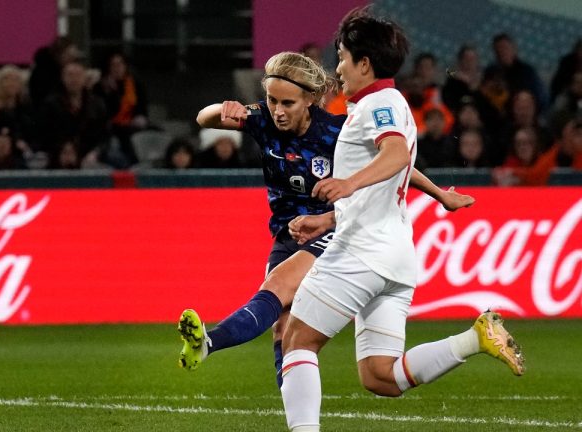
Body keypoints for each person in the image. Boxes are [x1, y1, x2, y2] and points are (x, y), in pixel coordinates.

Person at [277, 10, 523, 431]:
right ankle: (475, 337)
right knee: (380, 376)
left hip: (361, 253)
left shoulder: (378, 104)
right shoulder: (393, 105)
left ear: (364, 63)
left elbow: (393, 156)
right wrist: (438, 194)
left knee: (296, 340)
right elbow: (399, 163)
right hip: (395, 259)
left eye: (342, 57)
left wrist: (348, 184)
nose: (338, 68)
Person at [177, 51, 475, 387]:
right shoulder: (262, 119)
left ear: (310, 99)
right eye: (272, 100)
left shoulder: (337, 130)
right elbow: (204, 119)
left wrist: (441, 195)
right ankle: (294, 410)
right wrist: (224, 109)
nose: (277, 110)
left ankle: (210, 342)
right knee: (283, 329)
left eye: (287, 102)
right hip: (287, 234)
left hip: (332, 228)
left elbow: (396, 165)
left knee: (276, 288)